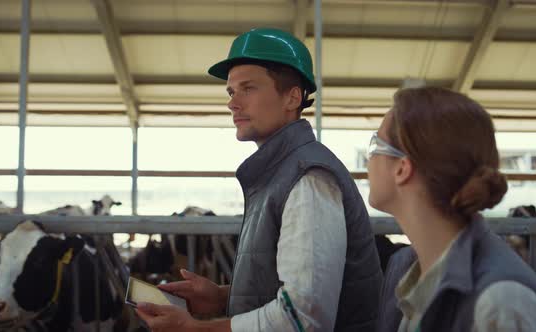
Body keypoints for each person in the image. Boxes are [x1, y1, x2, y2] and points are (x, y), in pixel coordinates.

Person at [136, 28, 383, 332]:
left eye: (248, 88)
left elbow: (303, 318)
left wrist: (195, 329)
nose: (232, 103)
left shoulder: (309, 178)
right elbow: (294, 293)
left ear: (293, 97)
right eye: (231, 92)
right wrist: (222, 296)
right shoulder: (279, 172)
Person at [369, 87, 536, 331]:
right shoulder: (413, 272)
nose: (370, 160)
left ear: (402, 168)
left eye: (375, 145)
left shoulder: (502, 303)